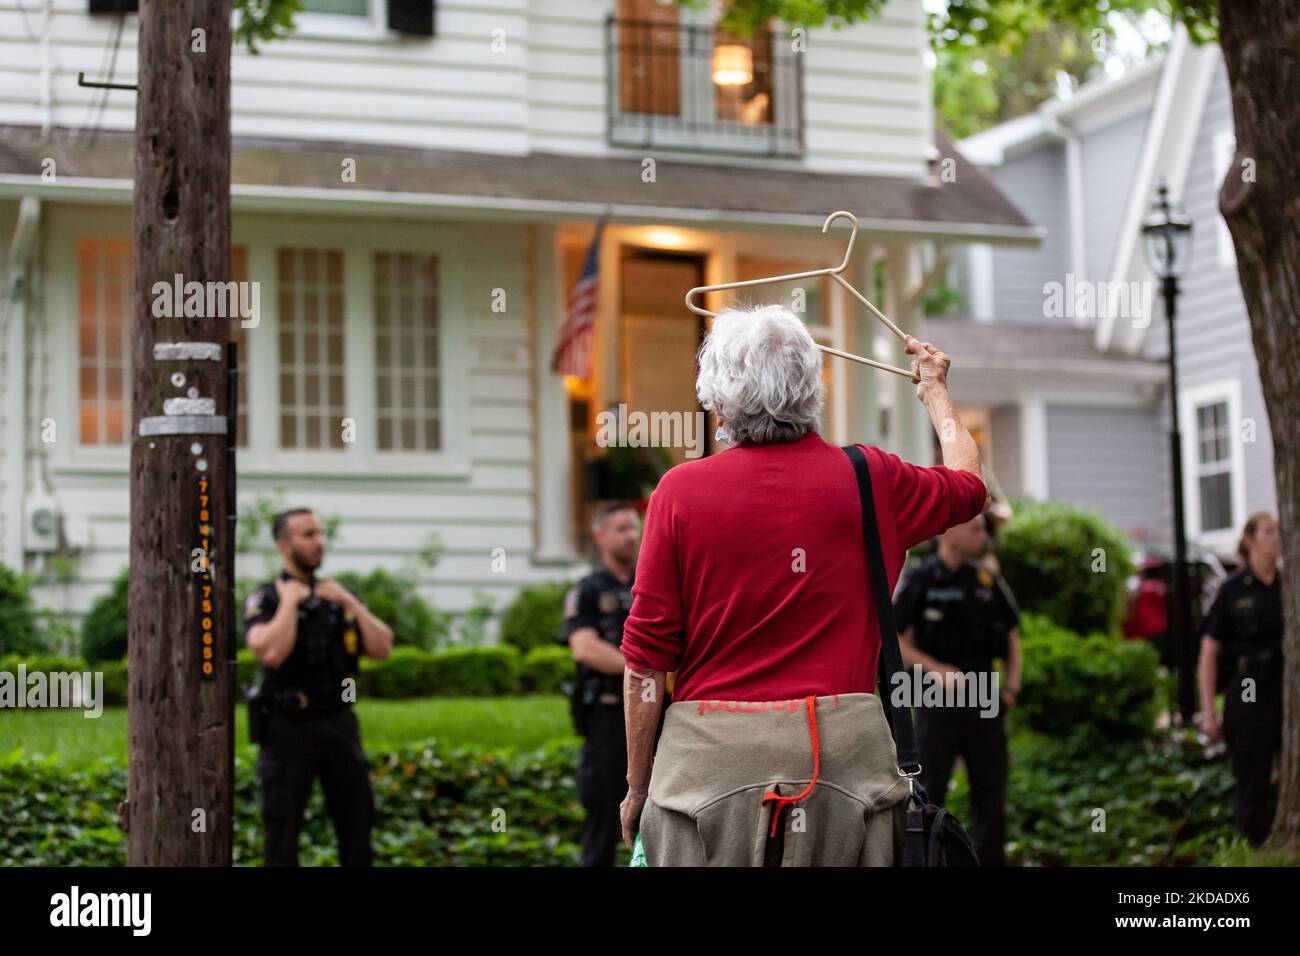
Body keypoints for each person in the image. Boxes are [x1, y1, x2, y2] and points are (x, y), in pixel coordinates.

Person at [617, 304, 989, 866]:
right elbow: (968, 483)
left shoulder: (678, 493)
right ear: (811, 387)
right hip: (845, 766)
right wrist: (935, 391)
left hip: (707, 770)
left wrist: (638, 789)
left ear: (717, 399)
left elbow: (646, 662)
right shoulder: (872, 479)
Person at [244, 507, 395, 866]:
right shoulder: (266, 598)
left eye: (320, 534)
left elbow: (382, 648)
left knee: (357, 823)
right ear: (284, 545)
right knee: (282, 831)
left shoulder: (337, 598)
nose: (319, 542)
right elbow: (271, 652)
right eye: (307, 535)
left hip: (338, 722)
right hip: (287, 726)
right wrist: (291, 603)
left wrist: (350, 602)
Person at [893, 512, 1023, 866]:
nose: (983, 535)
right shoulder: (920, 580)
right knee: (928, 791)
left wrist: (1011, 688)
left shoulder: (986, 580)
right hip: (934, 700)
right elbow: (895, 643)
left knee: (990, 796)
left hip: (983, 697)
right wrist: (937, 670)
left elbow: (1012, 635)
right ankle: (931, 860)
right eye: (975, 528)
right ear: (949, 534)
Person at [560, 501, 642, 867]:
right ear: (600, 536)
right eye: (621, 528)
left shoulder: (650, 580)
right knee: (602, 823)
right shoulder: (588, 590)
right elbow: (585, 648)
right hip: (608, 718)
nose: (631, 536)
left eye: (634, 527)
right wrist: (644, 670)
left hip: (654, 717)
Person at [1197, 511, 1284, 847]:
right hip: (1248, 689)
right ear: (1250, 541)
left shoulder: (1286, 586)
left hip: (1284, 687)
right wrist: (1208, 711)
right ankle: (1252, 848)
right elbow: (1208, 652)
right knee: (1253, 775)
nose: (1276, 537)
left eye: (1278, 531)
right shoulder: (1232, 590)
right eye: (1268, 531)